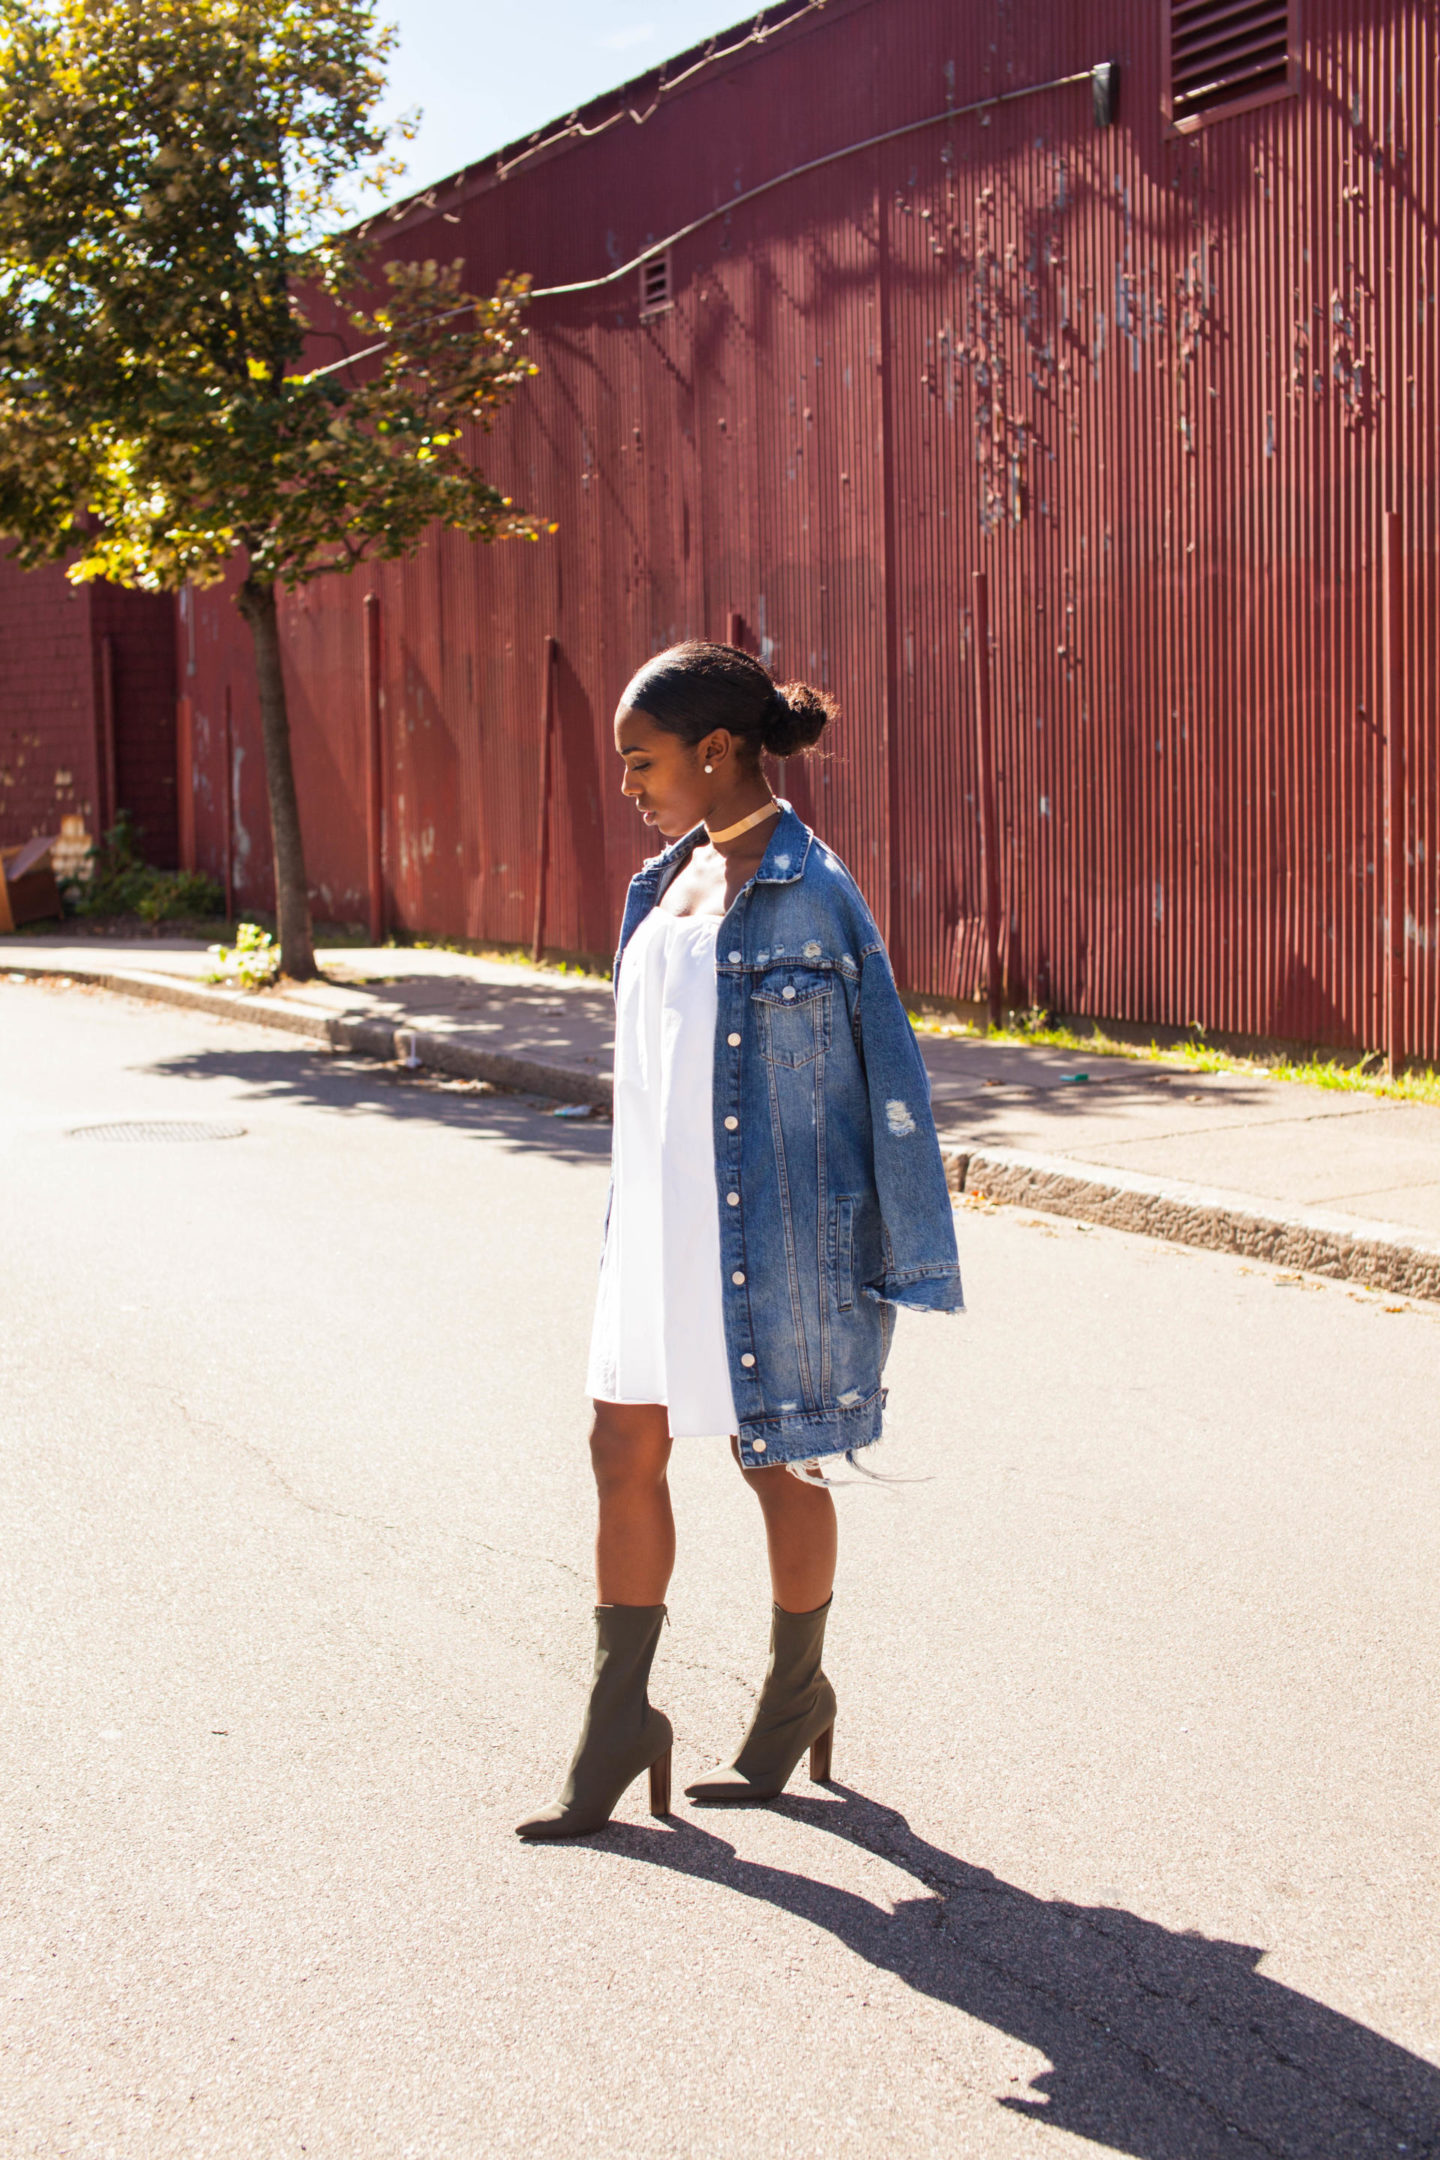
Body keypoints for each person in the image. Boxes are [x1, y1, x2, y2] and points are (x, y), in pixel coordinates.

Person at [516, 642, 963, 1842]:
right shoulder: (665, 881)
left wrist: (891, 1252)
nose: (629, 786)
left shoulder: (815, 892)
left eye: (642, 761)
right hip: (654, 1225)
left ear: (716, 751)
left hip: (770, 1231)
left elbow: (886, 1079)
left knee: (775, 1460)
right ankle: (620, 1723)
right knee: (621, 1446)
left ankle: (792, 1692)